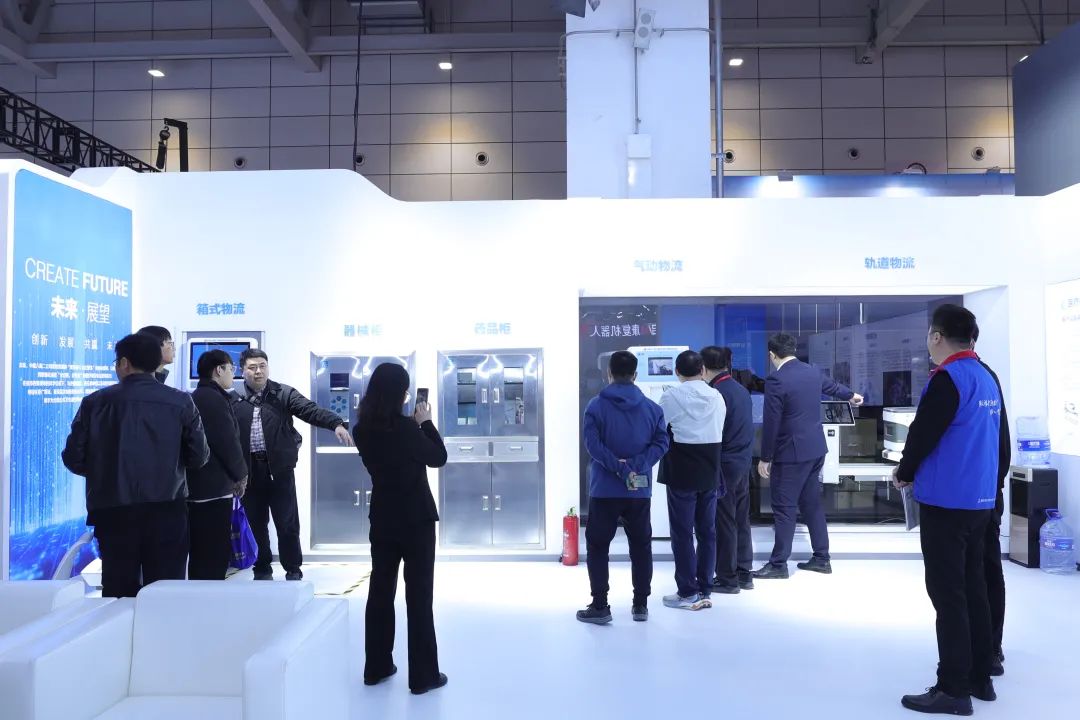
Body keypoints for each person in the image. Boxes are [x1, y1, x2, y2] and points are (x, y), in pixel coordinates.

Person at [894, 305, 1009, 715]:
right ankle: (980, 677)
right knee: (974, 589)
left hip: (946, 501)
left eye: (929, 334)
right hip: (979, 501)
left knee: (949, 596)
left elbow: (924, 433)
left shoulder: (948, 379)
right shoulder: (985, 376)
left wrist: (905, 471)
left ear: (937, 336)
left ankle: (953, 688)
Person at [61, 333, 209, 598]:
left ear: (124, 363)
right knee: (166, 591)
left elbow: (73, 457)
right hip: (167, 508)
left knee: (118, 591)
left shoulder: (95, 402)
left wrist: (103, 471)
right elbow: (199, 456)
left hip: (113, 509)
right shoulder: (181, 401)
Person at [354, 363, 448, 695]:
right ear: (400, 394)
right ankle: (423, 676)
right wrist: (427, 423)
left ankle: (376, 667)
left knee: (380, 591)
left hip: (383, 518)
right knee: (419, 597)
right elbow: (438, 457)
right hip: (416, 520)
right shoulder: (408, 429)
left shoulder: (362, 430)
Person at [233, 348, 353, 581]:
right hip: (248, 472)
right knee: (256, 523)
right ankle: (262, 568)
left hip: (279, 470)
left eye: (262, 366)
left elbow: (310, 410)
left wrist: (336, 423)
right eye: (252, 367)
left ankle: (293, 569)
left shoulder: (282, 393)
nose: (258, 372)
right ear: (242, 370)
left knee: (287, 522)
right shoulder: (234, 397)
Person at [754, 333, 863, 580]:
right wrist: (851, 395)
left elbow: (771, 422)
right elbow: (833, 387)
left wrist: (765, 457)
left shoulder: (776, 380)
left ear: (771, 355)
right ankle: (822, 558)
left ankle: (778, 565)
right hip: (815, 450)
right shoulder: (812, 371)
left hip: (790, 454)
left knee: (784, 508)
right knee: (811, 504)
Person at [577, 350, 669, 624]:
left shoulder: (595, 406)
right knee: (641, 546)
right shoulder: (653, 409)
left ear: (609, 373)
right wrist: (636, 466)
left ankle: (600, 605)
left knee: (598, 546)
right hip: (638, 489)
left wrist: (618, 467)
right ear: (635, 375)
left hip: (604, 489)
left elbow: (592, 445)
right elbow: (662, 443)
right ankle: (640, 605)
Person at [658, 350, 726, 611]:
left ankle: (687, 592)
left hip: (681, 470)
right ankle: (705, 588)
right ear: (702, 371)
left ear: (677, 372)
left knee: (682, 533)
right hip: (709, 469)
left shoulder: (670, 396)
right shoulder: (717, 396)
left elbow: (659, 427)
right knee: (707, 531)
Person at [187, 350, 248, 580]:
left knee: (205, 552)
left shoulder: (201, 396)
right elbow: (226, 441)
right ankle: (208, 595)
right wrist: (241, 474)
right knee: (212, 552)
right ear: (219, 370)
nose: (234, 374)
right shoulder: (211, 398)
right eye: (231, 369)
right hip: (211, 490)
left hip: (201, 488)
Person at [701, 346, 755, 593]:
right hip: (742, 462)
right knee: (741, 519)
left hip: (723, 465)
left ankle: (726, 578)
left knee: (724, 522)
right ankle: (744, 572)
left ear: (704, 368)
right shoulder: (740, 389)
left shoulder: (715, 393)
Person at [972, 328, 1010, 679]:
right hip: (987, 491)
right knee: (986, 569)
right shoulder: (987, 377)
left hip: (975, 495)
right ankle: (987, 649)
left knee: (983, 571)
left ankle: (988, 650)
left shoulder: (964, 378)